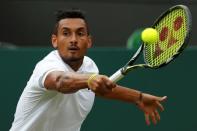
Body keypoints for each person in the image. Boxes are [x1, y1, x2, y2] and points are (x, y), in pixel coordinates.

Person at [10, 9, 167, 131]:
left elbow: (100, 89)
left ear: (89, 41)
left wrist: (137, 97)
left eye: (80, 33)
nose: (73, 39)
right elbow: (61, 81)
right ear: (54, 41)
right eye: (66, 33)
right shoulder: (47, 65)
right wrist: (90, 79)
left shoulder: (89, 66)